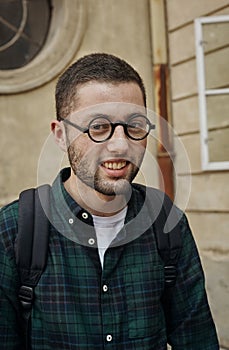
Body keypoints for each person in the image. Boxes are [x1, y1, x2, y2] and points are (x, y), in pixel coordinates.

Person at [0, 53, 219, 349]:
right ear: (61, 135)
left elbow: (196, 340)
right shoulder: (15, 230)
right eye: (98, 127)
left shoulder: (168, 225)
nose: (120, 144)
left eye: (136, 125)